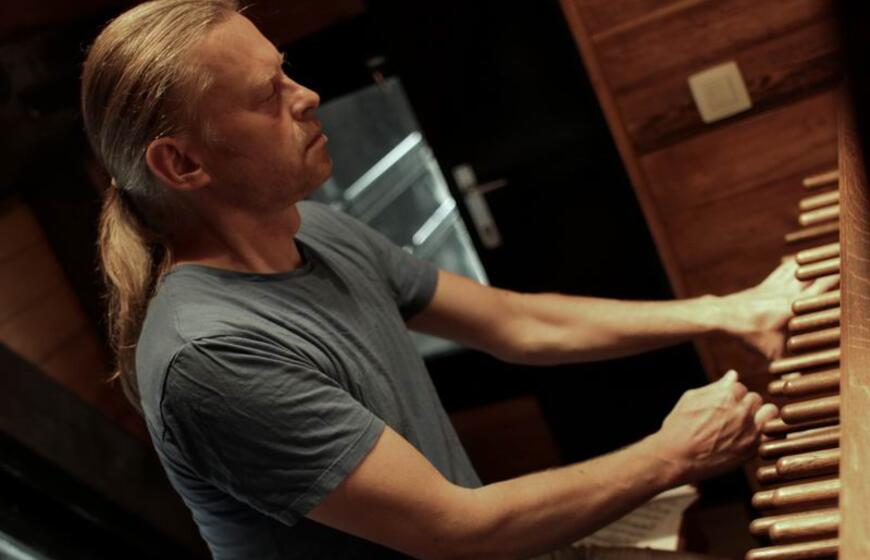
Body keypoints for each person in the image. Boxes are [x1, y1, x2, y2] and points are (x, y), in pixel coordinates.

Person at [81, 1, 836, 559]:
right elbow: (452, 530)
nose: (305, 96)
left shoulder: (315, 229)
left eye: (286, 72)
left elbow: (518, 324)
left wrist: (726, 311)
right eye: (266, 95)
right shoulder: (210, 359)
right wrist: (673, 453)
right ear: (183, 163)